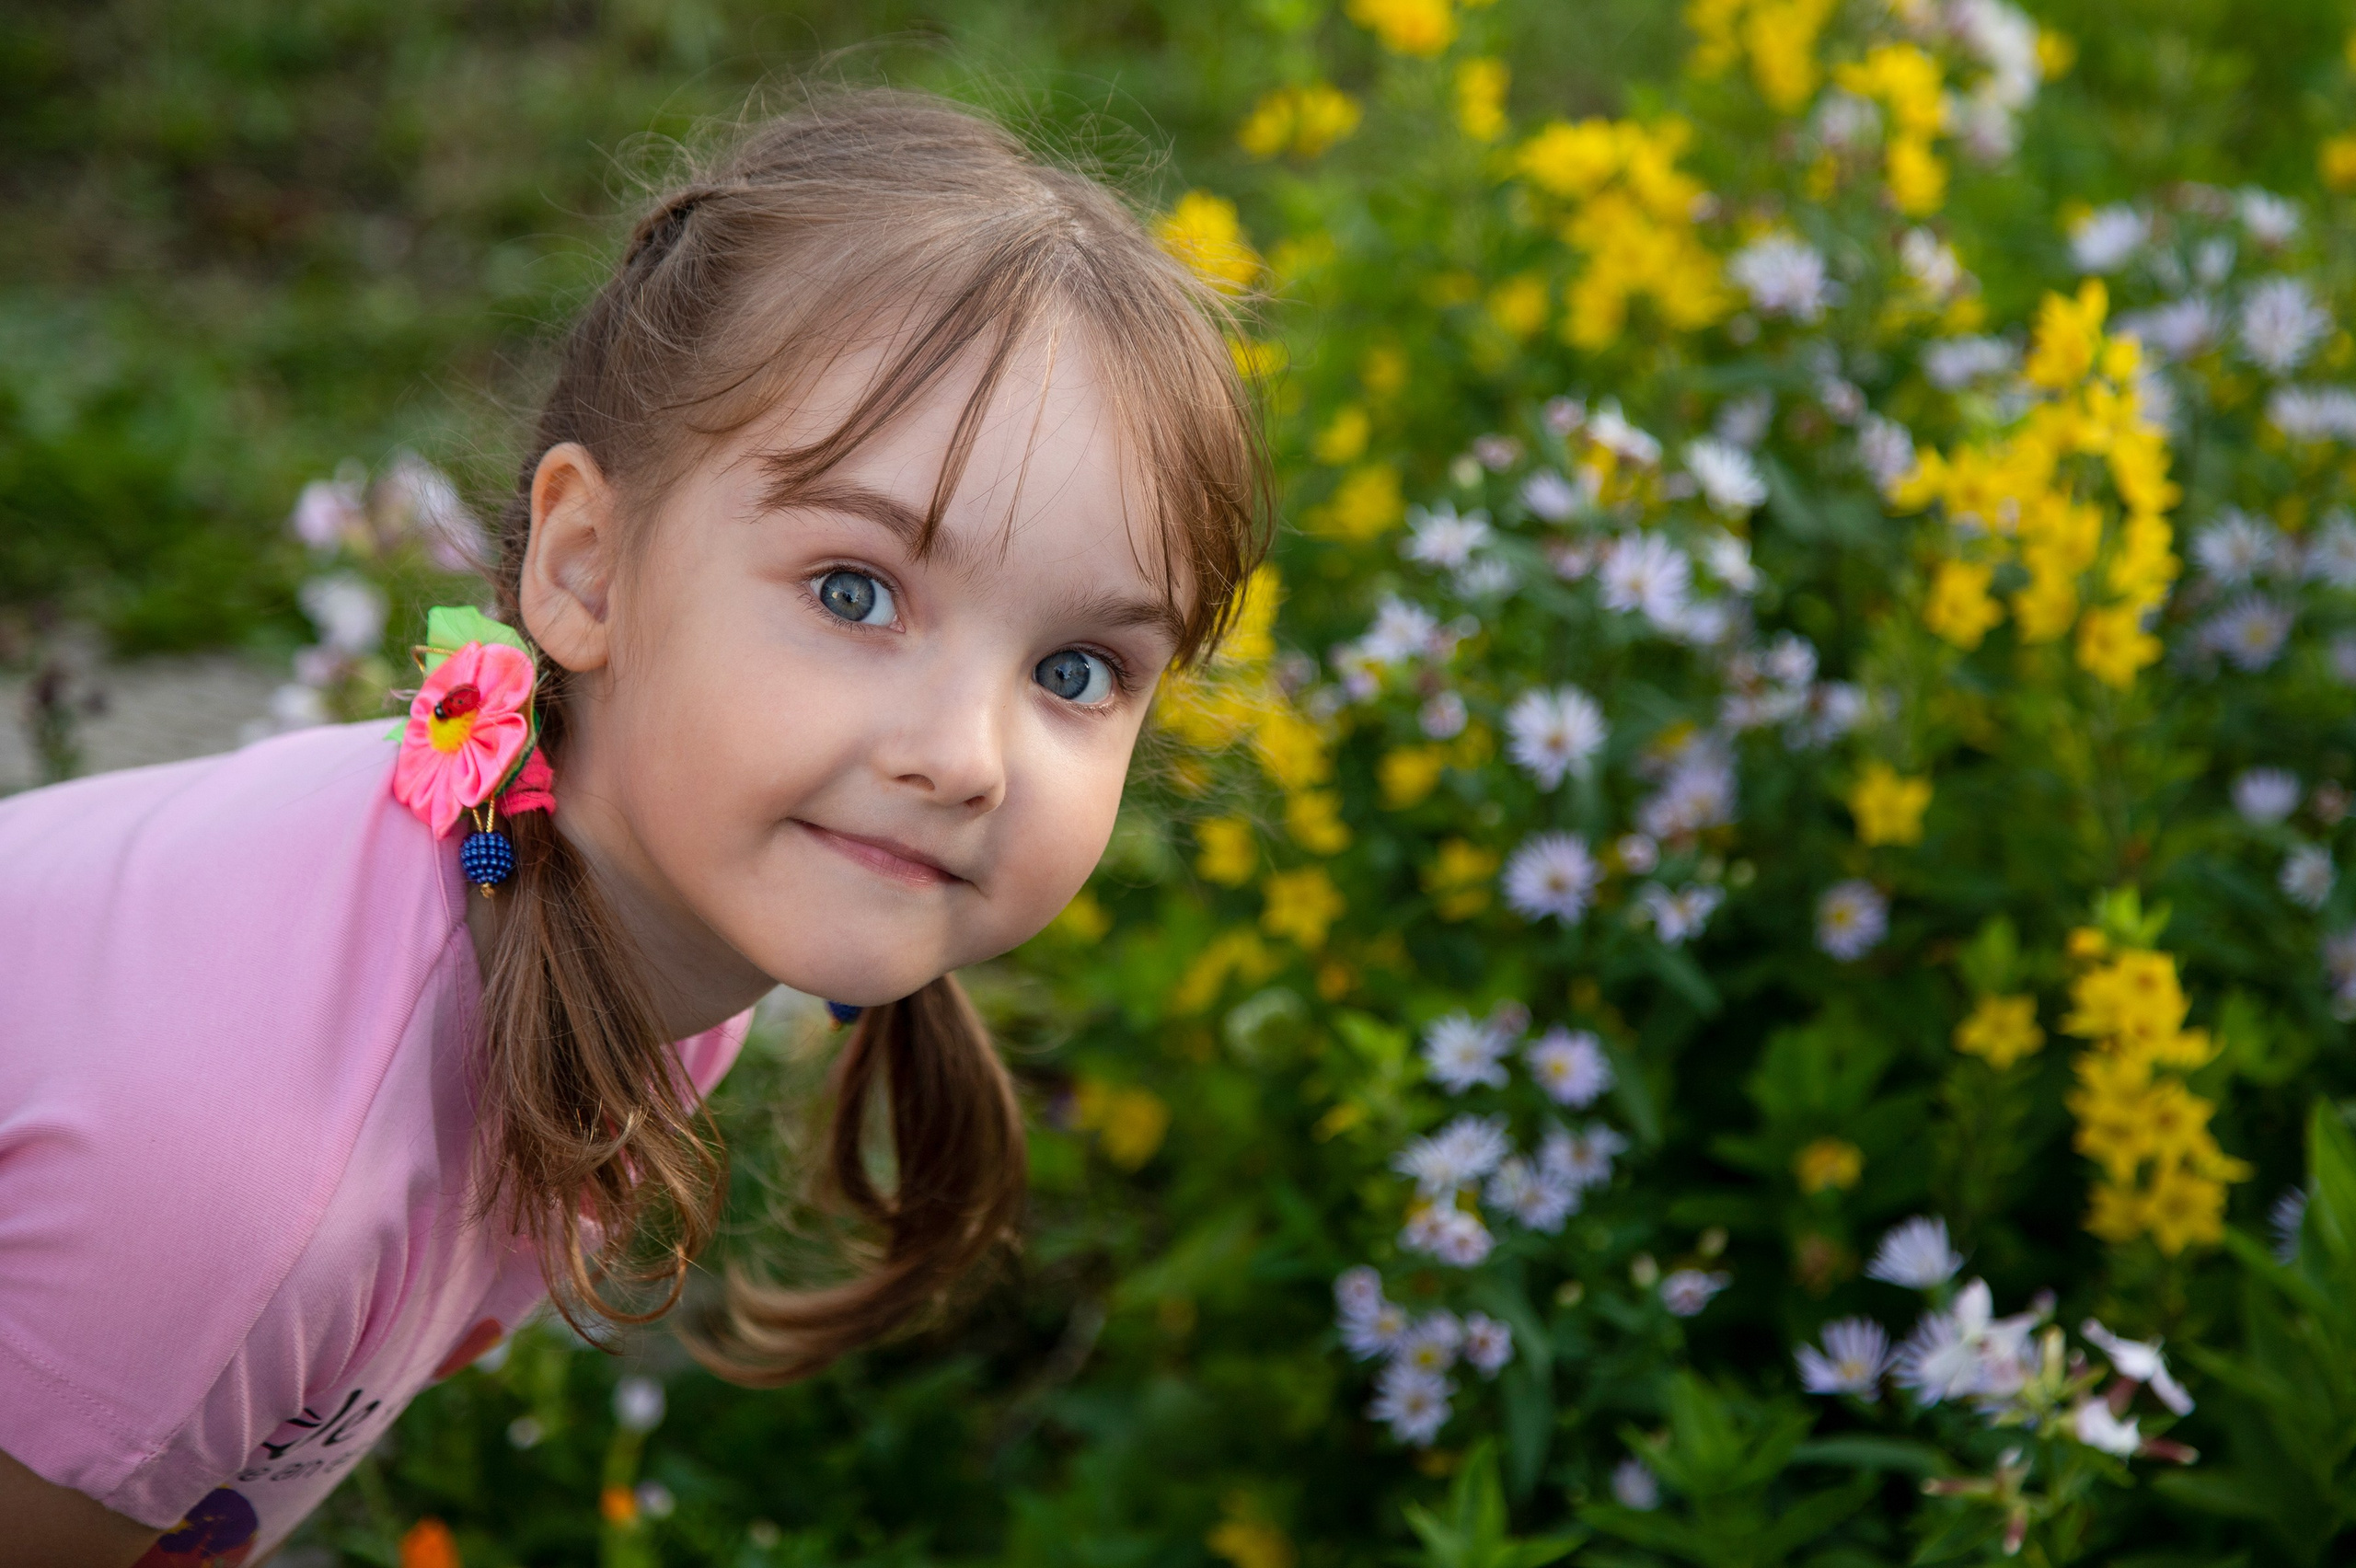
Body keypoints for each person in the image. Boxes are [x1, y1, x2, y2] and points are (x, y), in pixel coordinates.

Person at [0, 86, 1266, 1564]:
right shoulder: (255, 1179)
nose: (965, 758)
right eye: (854, 592)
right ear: (585, 569)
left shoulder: (592, 907)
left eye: (1078, 671)